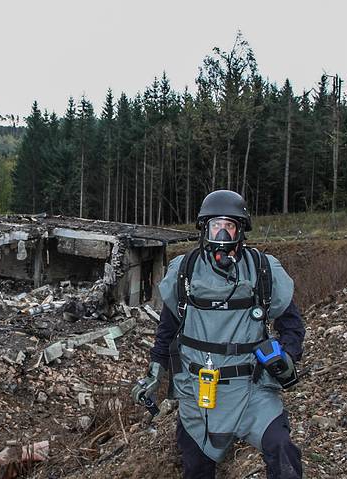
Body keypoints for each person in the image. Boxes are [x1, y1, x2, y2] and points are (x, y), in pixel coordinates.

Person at [131, 190, 305, 479]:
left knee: (281, 448)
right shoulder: (184, 272)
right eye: (215, 226)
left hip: (251, 389)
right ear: (204, 229)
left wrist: (288, 353)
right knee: (196, 467)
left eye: (229, 226)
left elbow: (291, 323)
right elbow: (167, 330)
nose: (222, 233)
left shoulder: (262, 271)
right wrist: (154, 372)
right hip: (199, 393)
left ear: (240, 231)